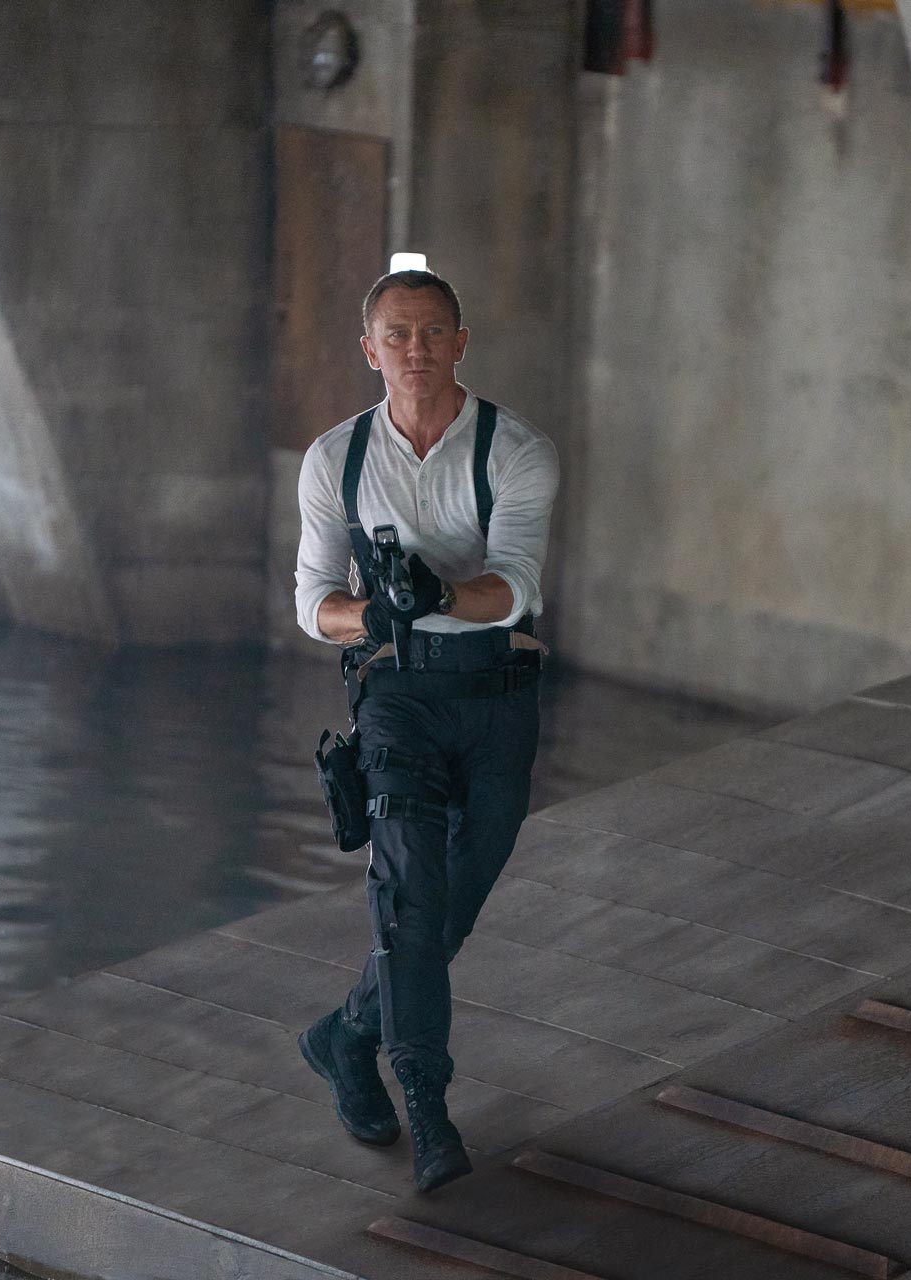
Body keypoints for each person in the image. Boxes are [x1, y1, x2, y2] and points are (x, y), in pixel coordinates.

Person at [290, 269, 559, 1192]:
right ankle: (427, 1107)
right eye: (397, 335)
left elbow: (516, 585)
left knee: (453, 903)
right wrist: (372, 615)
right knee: (408, 893)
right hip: (396, 692)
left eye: (433, 332)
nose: (416, 350)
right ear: (370, 351)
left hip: (497, 694)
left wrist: (439, 592)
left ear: (461, 342)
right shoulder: (335, 459)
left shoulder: (516, 451)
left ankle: (345, 1034)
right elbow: (311, 602)